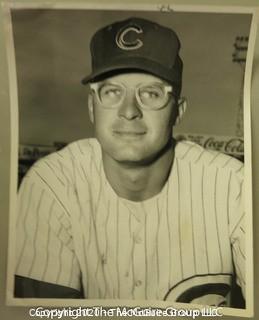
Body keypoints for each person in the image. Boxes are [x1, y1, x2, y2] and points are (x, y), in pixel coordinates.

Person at [14, 17, 245, 307]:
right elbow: (38, 314)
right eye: (112, 92)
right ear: (91, 107)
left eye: (151, 93)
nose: (129, 111)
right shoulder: (51, 183)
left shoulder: (234, 186)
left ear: (179, 111)